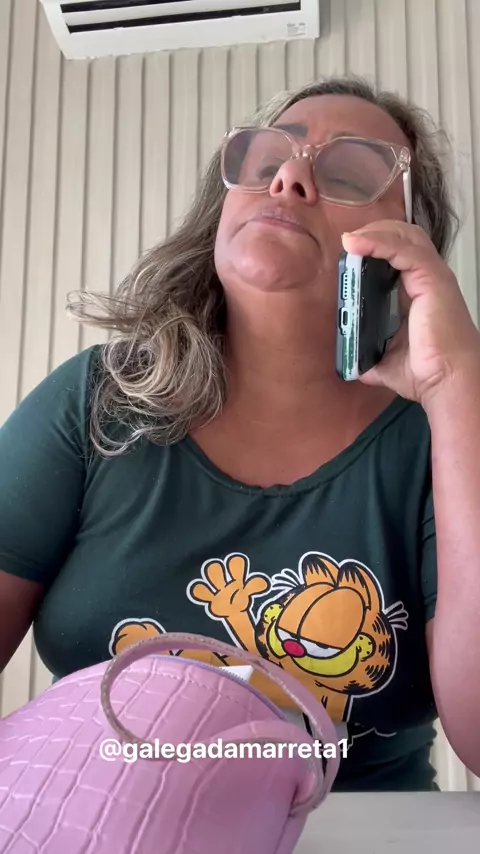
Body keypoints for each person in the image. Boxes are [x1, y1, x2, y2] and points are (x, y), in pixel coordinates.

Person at [1, 75, 480, 793]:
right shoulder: (96, 398)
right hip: (104, 820)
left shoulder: (443, 438)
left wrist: (458, 386)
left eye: (350, 175)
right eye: (266, 161)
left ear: (411, 250)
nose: (290, 178)